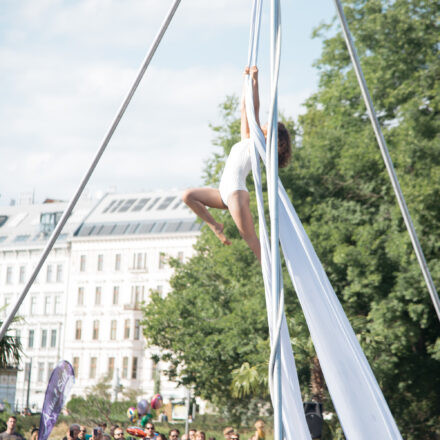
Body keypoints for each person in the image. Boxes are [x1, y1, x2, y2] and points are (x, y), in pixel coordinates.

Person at [182, 66, 292, 263]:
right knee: (188, 196)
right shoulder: (247, 139)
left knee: (250, 239)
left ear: (271, 137)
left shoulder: (259, 146)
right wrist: (246, 82)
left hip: (235, 193)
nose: (264, 124)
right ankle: (215, 226)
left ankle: (270, 270)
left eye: (268, 126)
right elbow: (245, 109)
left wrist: (256, 81)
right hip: (223, 192)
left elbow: (254, 109)